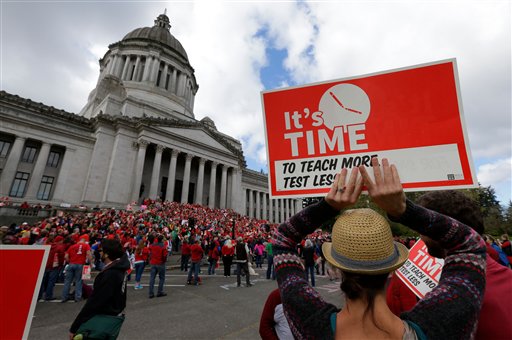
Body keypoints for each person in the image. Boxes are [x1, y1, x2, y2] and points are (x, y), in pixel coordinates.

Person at [273, 158, 486, 339]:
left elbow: (282, 238)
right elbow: (471, 244)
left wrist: (327, 206)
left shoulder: (309, 323)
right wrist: (402, 210)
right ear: (393, 268)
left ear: (335, 268)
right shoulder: (441, 327)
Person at [410, 189, 512, 340]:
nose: (420, 237)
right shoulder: (505, 275)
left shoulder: (456, 300)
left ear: (448, 229)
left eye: (423, 228)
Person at [69, 239, 129, 339]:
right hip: (114, 316)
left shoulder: (110, 273)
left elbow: (95, 302)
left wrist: (75, 326)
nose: (98, 252)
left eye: (100, 250)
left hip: (104, 317)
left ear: (106, 254)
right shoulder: (119, 268)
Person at [62, 236, 94, 302]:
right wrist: (91, 264)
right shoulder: (86, 245)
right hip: (80, 264)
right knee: (79, 281)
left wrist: (70, 261)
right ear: (84, 241)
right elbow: (89, 254)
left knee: (67, 281)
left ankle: (64, 297)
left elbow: (66, 256)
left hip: (71, 264)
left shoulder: (72, 246)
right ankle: (77, 297)